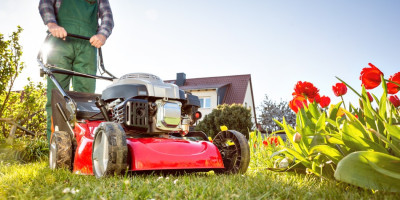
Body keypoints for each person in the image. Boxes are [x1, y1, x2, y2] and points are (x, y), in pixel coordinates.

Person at [39, 0, 114, 142]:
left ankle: (83, 145)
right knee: (57, 96)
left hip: (88, 45)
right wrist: (52, 24)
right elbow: (45, 3)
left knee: (87, 99)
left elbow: (107, 17)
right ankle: (57, 148)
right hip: (59, 43)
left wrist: (102, 35)